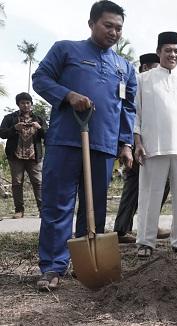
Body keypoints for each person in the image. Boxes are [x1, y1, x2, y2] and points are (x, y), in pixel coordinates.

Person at [32, 0, 136, 290]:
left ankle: (86, 264)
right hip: (67, 139)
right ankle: (53, 267)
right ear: (91, 23)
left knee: (95, 208)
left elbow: (128, 108)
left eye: (119, 28)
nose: (114, 32)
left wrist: (125, 144)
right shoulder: (66, 49)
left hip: (103, 144)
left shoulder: (125, 67)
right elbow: (40, 79)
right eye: (108, 25)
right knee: (58, 203)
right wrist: (67, 95)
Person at [133, 32, 177, 258]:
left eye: (176, 50)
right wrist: (137, 141)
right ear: (158, 52)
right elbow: (135, 114)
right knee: (149, 195)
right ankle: (145, 241)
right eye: (168, 50)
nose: (172, 54)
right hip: (153, 146)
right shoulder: (143, 79)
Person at [113, 53, 171, 244]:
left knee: (157, 184)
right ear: (146, 67)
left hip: (155, 145)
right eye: (156, 67)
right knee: (135, 185)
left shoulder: (155, 87)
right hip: (138, 144)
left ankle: (144, 226)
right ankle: (125, 229)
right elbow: (130, 116)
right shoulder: (137, 85)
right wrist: (128, 145)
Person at [0, 92, 47, 219]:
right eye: (22, 103)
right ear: (18, 104)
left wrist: (40, 128)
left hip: (34, 156)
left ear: (31, 104)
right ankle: (19, 210)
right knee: (16, 183)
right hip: (15, 157)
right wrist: (15, 128)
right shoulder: (10, 118)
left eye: (28, 103)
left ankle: (43, 210)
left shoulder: (39, 118)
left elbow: (49, 135)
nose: (25, 105)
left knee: (38, 183)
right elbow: (2, 133)